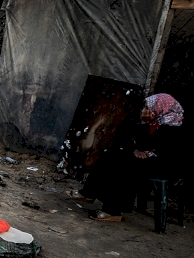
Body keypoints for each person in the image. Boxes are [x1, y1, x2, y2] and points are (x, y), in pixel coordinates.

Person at [67, 93, 184, 222]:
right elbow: (139, 144)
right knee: (111, 155)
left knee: (125, 165)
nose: (145, 111)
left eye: (148, 108)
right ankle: (89, 193)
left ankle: (113, 210)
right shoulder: (157, 122)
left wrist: (145, 126)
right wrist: (143, 126)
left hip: (164, 167)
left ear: (161, 107)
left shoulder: (174, 127)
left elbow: (160, 151)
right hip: (150, 160)